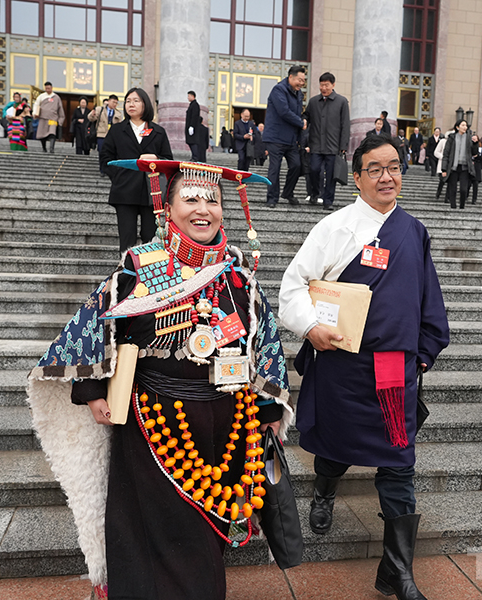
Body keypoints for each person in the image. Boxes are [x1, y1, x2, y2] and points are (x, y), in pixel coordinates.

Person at [27, 159, 292, 600]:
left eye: (213, 200)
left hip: (226, 424)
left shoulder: (239, 274)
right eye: (190, 198)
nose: (203, 208)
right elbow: (95, 325)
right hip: (155, 422)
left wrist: (267, 407)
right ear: (167, 209)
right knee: (160, 533)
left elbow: (263, 342)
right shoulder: (139, 265)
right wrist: (91, 389)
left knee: (207, 532)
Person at [279, 134, 450, 600]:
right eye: (375, 169)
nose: (386, 177)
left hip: (395, 369)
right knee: (336, 448)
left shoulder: (413, 231)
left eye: (393, 167)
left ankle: (398, 571)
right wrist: (311, 327)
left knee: (399, 462)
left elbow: (428, 297)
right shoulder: (334, 227)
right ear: (356, 177)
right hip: (342, 364)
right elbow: (292, 287)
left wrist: (423, 352)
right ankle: (325, 490)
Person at [99, 87, 173, 252]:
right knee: (127, 238)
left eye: (136, 101)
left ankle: (149, 268)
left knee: (150, 237)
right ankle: (126, 268)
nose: (131, 104)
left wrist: (156, 159)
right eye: (128, 101)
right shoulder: (117, 130)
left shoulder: (158, 132)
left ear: (145, 104)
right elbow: (105, 158)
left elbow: (169, 160)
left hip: (151, 192)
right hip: (124, 190)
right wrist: (118, 176)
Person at [306, 71, 350, 210]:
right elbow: (306, 117)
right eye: (321, 85)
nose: (323, 88)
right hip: (316, 144)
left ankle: (328, 201)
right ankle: (314, 193)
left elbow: (345, 125)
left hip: (333, 146)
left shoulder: (342, 102)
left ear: (333, 85)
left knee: (331, 175)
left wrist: (343, 145)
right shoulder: (313, 102)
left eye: (326, 85)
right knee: (314, 170)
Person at [264, 65, 306, 207]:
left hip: (291, 139)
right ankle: (272, 198)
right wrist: (301, 123)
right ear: (291, 77)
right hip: (275, 137)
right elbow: (284, 112)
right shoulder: (278, 90)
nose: (301, 83)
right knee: (274, 169)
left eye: (303, 80)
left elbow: (298, 113)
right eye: (299, 80)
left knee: (296, 165)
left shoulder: (299, 94)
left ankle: (288, 192)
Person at [440, 119, 476, 209]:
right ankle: (453, 206)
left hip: (465, 167)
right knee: (452, 189)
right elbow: (446, 154)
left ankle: (462, 206)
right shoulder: (452, 138)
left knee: (463, 189)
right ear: (457, 127)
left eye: (466, 125)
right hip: (453, 167)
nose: (465, 127)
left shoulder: (469, 138)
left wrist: (475, 143)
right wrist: (444, 169)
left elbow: (474, 152)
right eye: (463, 125)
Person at [34, 82, 65, 153]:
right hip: (43, 118)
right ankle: (44, 148)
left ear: (51, 88)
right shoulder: (41, 96)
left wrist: (61, 120)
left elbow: (60, 109)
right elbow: (36, 105)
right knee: (42, 135)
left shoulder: (56, 97)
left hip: (53, 118)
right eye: (46, 88)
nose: (47, 90)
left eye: (49, 88)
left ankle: (51, 148)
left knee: (52, 133)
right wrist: (35, 113)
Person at [185, 90, 201, 161]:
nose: (188, 97)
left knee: (193, 142)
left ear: (192, 96)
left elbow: (194, 116)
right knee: (190, 142)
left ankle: (195, 156)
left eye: (189, 96)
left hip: (193, 127)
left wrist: (192, 126)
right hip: (190, 126)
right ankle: (194, 156)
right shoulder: (192, 105)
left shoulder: (195, 105)